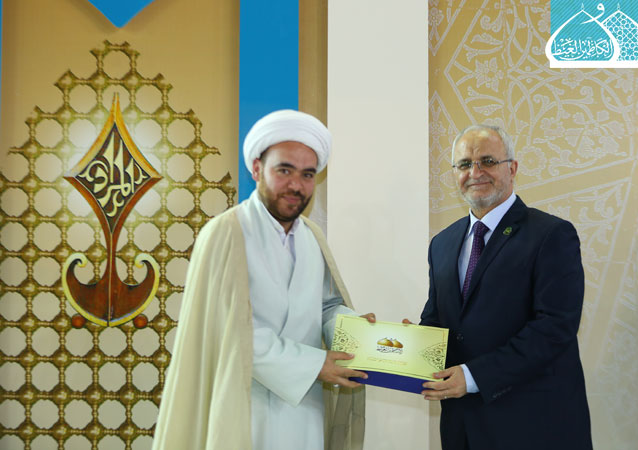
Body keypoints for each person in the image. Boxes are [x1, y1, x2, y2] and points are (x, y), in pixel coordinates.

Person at [153, 110, 374, 450]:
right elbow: (228, 328)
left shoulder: (312, 237)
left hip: (304, 410)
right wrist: (314, 365)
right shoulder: (226, 233)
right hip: (241, 404)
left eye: (307, 174)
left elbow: (326, 306)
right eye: (284, 170)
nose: (296, 185)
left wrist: (359, 332)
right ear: (257, 169)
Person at [410, 125, 592, 449]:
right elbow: (437, 319)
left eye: (488, 161)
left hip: (534, 426)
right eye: (464, 164)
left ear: (512, 168)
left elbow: (554, 329)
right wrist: (407, 348)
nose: (475, 172)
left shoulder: (551, 235)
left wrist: (471, 377)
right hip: (463, 428)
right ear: (454, 173)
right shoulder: (442, 243)